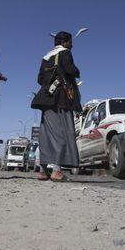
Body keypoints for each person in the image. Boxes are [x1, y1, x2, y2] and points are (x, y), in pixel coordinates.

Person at [36, 31, 81, 182]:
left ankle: (43, 171)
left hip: (45, 100)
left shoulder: (46, 57)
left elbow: (40, 79)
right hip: (60, 100)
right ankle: (56, 171)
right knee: (62, 135)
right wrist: (76, 71)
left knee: (46, 136)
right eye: (70, 42)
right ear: (65, 42)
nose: (72, 45)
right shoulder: (65, 53)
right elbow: (71, 70)